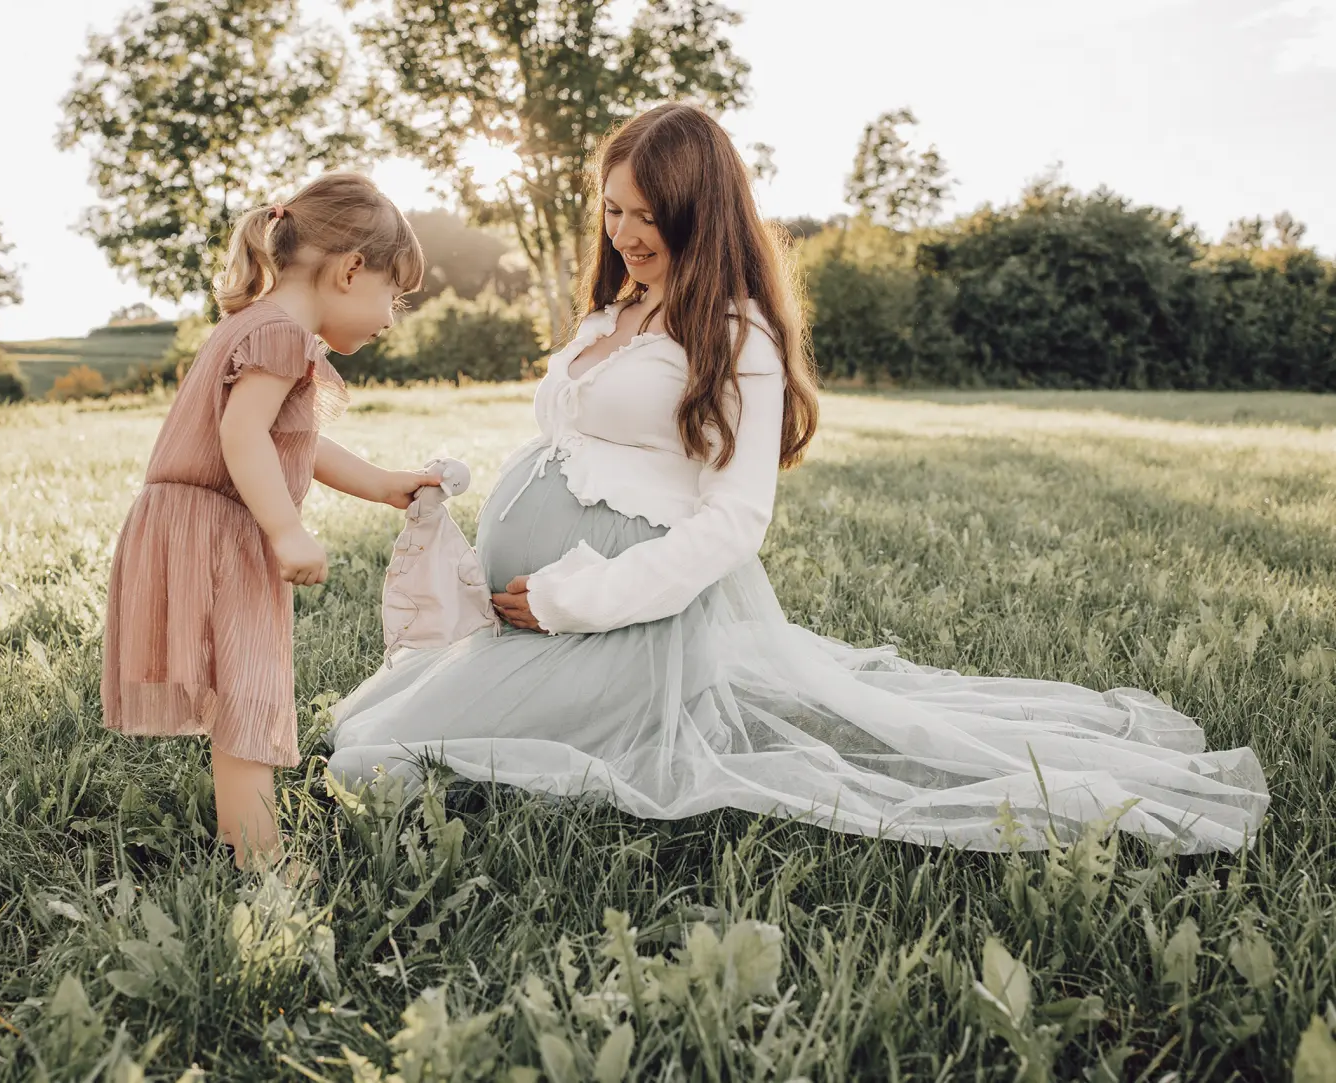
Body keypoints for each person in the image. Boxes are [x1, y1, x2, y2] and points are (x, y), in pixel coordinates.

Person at [324, 106, 1268, 853]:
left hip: (617, 623)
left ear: (704, 212)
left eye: (651, 215)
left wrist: (584, 596)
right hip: (538, 612)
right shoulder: (619, 303)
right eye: (614, 208)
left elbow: (734, 522)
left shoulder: (737, 336)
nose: (627, 232)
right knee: (375, 727)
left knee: (384, 754)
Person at [101, 172, 440, 873]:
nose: (390, 317)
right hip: (225, 527)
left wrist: (382, 485)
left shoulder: (255, 325)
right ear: (351, 270)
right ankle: (261, 863)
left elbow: (296, 442)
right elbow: (244, 434)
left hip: (191, 520)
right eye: (393, 296)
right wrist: (284, 528)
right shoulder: (283, 335)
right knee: (252, 697)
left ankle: (242, 841)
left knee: (238, 698)